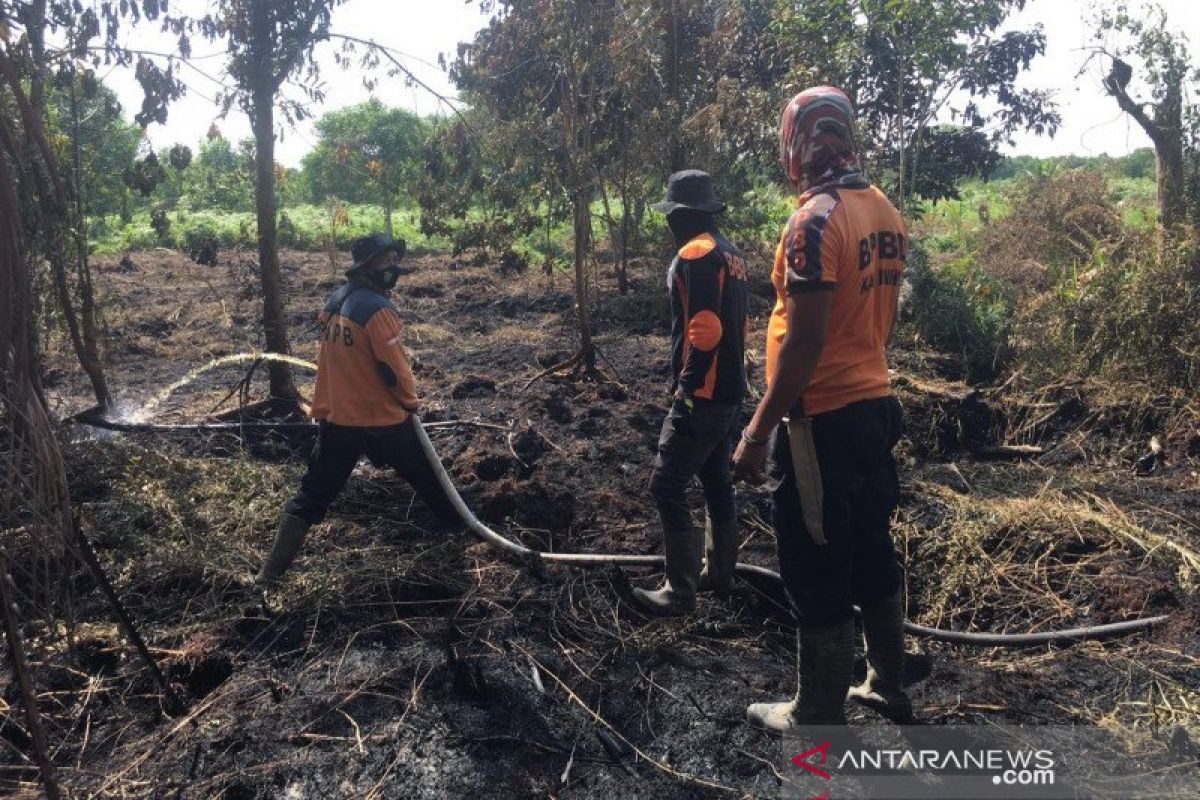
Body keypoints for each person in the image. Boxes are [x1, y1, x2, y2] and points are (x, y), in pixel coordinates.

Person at [732, 87, 911, 730]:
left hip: (822, 421)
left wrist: (757, 431)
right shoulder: (882, 208)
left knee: (815, 557)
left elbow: (805, 341)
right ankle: (888, 682)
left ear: (795, 144)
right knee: (869, 542)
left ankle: (816, 712)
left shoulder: (814, 220)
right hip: (873, 404)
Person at [257, 234, 459, 587]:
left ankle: (269, 576)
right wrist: (410, 402)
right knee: (432, 481)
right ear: (366, 267)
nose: (393, 268)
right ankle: (464, 540)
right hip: (381, 420)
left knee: (311, 496)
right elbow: (394, 370)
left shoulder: (336, 301)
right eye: (385, 261)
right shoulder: (379, 311)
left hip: (336, 420)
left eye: (394, 259)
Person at [631, 170, 750, 616]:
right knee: (717, 479)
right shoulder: (732, 254)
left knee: (666, 485)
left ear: (683, 215)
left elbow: (706, 329)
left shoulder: (695, 254)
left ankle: (678, 593)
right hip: (730, 391)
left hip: (702, 395)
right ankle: (719, 573)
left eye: (671, 216)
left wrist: (685, 388)